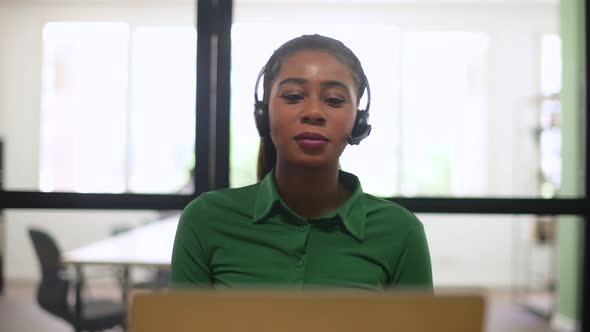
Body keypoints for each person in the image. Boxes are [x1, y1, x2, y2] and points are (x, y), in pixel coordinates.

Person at [170, 34, 432, 290]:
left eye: (334, 100)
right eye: (294, 96)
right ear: (263, 114)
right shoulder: (206, 219)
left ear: (358, 120)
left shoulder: (400, 232)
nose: (313, 113)